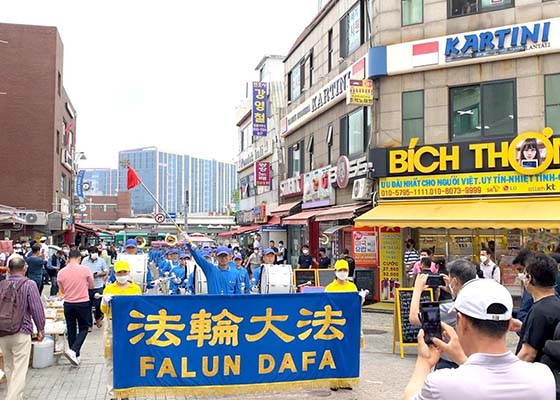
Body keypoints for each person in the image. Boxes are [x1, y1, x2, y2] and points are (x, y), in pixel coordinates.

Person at [404, 278, 555, 400]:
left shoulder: (442, 384)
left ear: (461, 321)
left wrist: (424, 362)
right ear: (510, 324)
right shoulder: (542, 377)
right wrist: (463, 360)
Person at [409, 259, 477, 370]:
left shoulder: (449, 309)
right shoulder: (477, 303)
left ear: (454, 281)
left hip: (449, 362)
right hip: (473, 359)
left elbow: (414, 318)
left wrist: (417, 290)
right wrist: (452, 292)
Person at [0, 258, 45, 400]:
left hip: (3, 331)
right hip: (22, 330)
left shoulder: (2, 284)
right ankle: (12, 398)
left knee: (9, 367)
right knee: (19, 369)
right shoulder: (29, 284)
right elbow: (36, 308)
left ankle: (15, 396)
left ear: (8, 270)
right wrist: (41, 328)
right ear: (24, 268)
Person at [100, 260, 142, 400]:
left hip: (130, 327)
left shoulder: (135, 289)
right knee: (111, 360)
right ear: (115, 274)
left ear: (129, 273)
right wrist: (105, 302)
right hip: (113, 325)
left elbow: (140, 310)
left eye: (124, 272)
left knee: (128, 359)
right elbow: (103, 310)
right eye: (119, 273)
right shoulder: (109, 289)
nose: (122, 275)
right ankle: (112, 393)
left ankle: (126, 391)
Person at [516, 253, 560, 363]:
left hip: (536, 372)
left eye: (524, 273)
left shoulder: (539, 311)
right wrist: (524, 328)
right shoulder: (556, 302)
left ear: (529, 278)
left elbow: (528, 354)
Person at [57, 248, 94, 366]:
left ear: (68, 259)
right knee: (84, 327)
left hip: (68, 303)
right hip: (82, 302)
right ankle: (73, 350)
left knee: (71, 328)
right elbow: (91, 285)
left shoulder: (61, 272)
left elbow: (61, 290)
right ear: (79, 258)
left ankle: (75, 356)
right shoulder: (85, 269)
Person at [82, 246, 109, 329]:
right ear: (89, 253)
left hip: (98, 285)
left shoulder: (101, 261)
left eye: (95, 252)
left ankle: (98, 318)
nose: (94, 254)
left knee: (98, 305)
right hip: (87, 286)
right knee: (87, 306)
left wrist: (99, 274)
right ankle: (89, 325)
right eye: (92, 252)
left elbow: (106, 271)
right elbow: (81, 271)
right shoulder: (85, 261)